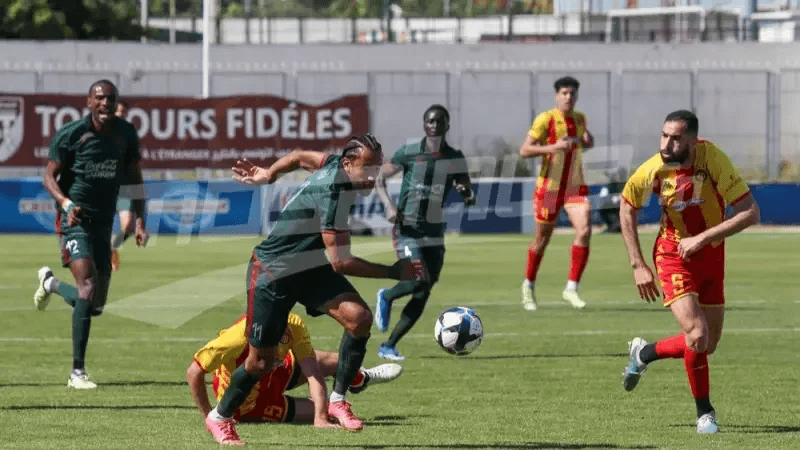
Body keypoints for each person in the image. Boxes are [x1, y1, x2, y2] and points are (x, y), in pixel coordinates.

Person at [203, 134, 423, 445]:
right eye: (368, 167)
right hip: (273, 272)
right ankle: (219, 417)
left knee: (358, 319)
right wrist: (392, 271)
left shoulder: (334, 163)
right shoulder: (335, 194)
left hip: (307, 267)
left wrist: (270, 173)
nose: (375, 175)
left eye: (378, 166)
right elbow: (341, 262)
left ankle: (338, 399)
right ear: (348, 164)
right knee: (260, 363)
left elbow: (298, 156)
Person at [619, 110, 760, 434]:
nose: (667, 143)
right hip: (674, 253)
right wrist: (638, 264)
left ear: (693, 140)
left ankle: (644, 352)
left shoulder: (713, 159)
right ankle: (705, 413)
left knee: (706, 345)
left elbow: (751, 211)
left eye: (676, 137)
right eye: (664, 135)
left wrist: (705, 238)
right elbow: (627, 206)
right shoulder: (653, 169)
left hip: (711, 254)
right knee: (697, 334)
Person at [32, 80, 148, 389]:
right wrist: (65, 202)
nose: (105, 103)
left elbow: (135, 178)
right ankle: (77, 373)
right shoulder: (71, 135)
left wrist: (140, 220)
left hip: (103, 222)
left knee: (94, 304)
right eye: (99, 98)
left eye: (110, 98)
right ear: (89, 102)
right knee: (86, 288)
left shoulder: (126, 134)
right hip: (75, 220)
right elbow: (48, 176)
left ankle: (51, 283)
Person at [373, 104, 476, 362]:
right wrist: (388, 205)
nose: (434, 124)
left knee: (424, 290)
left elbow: (469, 196)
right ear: (424, 125)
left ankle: (389, 345)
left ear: (447, 125)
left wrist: (466, 194)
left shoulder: (454, 158)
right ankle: (386, 295)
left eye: (439, 121)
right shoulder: (409, 153)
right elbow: (378, 178)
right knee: (418, 278)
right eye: (430, 120)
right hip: (408, 228)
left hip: (434, 232)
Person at [187, 312, 403, 424]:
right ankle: (335, 401)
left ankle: (360, 378)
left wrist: (320, 415)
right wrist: (208, 415)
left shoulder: (293, 323)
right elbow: (193, 372)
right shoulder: (236, 337)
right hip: (250, 404)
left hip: (275, 371)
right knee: (336, 415)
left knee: (339, 362)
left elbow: (313, 373)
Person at [518, 75, 594, 311]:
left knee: (585, 230)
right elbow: (524, 150)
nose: (569, 97)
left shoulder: (580, 119)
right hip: (549, 189)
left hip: (573, 188)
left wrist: (587, 141)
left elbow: (584, 141)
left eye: (572, 93)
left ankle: (571, 288)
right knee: (542, 240)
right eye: (564, 93)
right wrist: (553, 147)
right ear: (556, 95)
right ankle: (528, 286)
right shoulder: (546, 119)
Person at [110, 100, 136, 271]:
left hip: (124, 186)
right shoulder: (100, 132)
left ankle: (112, 248)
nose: (123, 116)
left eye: (125, 114)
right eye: (120, 112)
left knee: (128, 226)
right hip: (104, 186)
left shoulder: (129, 135)